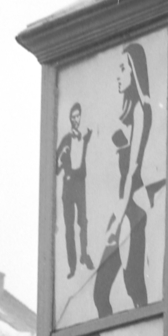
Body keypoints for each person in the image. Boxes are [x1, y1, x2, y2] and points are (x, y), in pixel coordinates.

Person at [93, 42, 156, 317]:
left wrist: (118, 216)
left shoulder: (142, 110)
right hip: (123, 205)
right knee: (100, 292)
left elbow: (133, 169)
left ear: (134, 70)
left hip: (131, 208)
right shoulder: (128, 113)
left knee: (134, 286)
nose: (118, 75)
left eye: (122, 68)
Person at [55, 102, 94, 278]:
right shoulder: (65, 140)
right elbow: (55, 168)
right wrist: (62, 156)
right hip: (68, 187)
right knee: (69, 227)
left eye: (78, 116)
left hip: (80, 185)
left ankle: (84, 255)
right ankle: (72, 266)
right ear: (70, 119)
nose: (76, 119)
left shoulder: (85, 136)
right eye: (73, 117)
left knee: (83, 222)